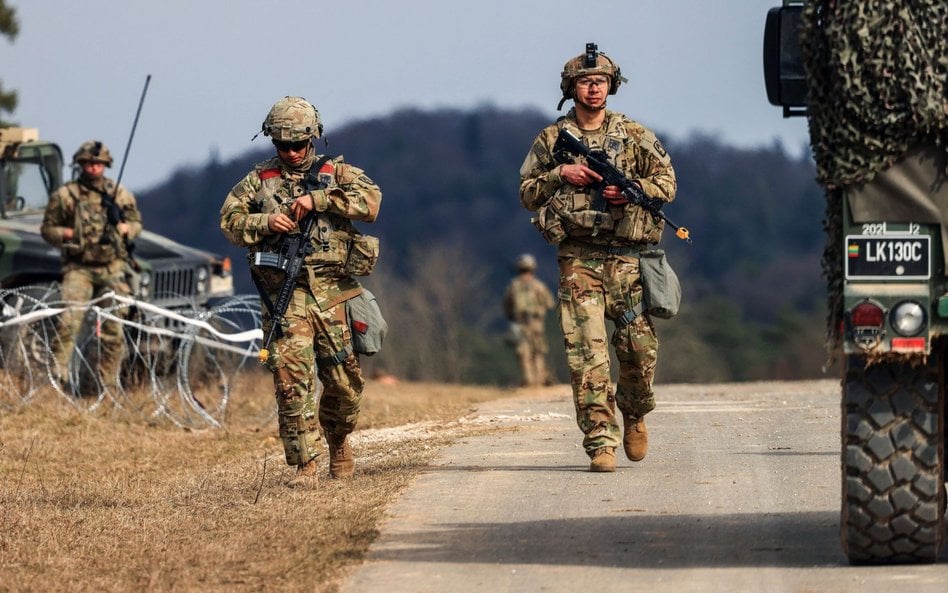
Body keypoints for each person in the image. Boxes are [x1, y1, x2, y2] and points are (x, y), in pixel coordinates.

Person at [519, 43, 677, 472]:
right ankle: (600, 441)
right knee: (587, 355)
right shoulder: (552, 140)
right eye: (586, 82)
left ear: (612, 86)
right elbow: (527, 193)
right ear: (572, 88)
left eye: (601, 81)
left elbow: (667, 182)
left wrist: (632, 192)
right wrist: (560, 173)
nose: (594, 89)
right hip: (579, 258)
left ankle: (636, 413)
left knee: (637, 351)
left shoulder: (635, 135)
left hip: (628, 259)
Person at [219, 96, 382, 488]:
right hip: (285, 297)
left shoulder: (337, 173)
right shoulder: (259, 182)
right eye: (282, 145)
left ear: (313, 138)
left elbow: (371, 202)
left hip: (333, 294)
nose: (291, 152)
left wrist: (319, 198)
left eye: (298, 144)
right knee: (292, 383)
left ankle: (338, 439)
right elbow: (229, 220)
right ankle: (304, 465)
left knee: (345, 384)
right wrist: (264, 221)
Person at [40, 140, 143, 391]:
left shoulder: (118, 193)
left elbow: (136, 222)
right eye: (89, 163)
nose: (94, 168)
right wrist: (66, 233)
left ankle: (105, 382)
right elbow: (47, 229)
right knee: (68, 322)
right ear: (81, 165)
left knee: (113, 328)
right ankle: (57, 377)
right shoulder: (66, 195)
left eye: (98, 163)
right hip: (79, 268)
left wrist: (126, 228)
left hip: (112, 268)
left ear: (105, 165)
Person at [503, 253, 554, 387]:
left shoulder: (513, 285)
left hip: (520, 323)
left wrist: (511, 317)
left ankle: (529, 380)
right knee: (538, 350)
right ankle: (540, 379)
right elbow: (549, 303)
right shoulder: (538, 285)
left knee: (523, 351)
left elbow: (507, 306)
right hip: (536, 323)